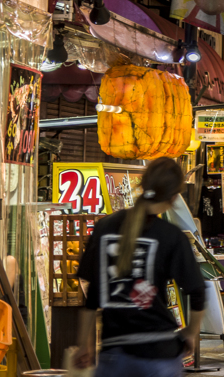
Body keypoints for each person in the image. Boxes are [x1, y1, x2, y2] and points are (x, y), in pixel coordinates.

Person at [76, 158, 205, 377]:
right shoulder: (171, 236)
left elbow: (92, 296)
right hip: (160, 354)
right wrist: (190, 333)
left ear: (143, 185)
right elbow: (197, 291)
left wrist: (84, 344)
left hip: (114, 354)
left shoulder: (104, 228)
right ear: (174, 197)